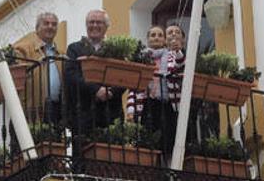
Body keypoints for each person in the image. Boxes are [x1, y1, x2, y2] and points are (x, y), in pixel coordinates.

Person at [64, 10, 124, 146]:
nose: (95, 25)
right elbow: (71, 75)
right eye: (91, 22)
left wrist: (110, 91)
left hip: (111, 112)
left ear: (106, 26)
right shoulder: (74, 48)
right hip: (83, 113)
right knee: (82, 160)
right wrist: (96, 90)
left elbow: (123, 77)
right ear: (86, 25)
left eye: (99, 22)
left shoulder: (116, 50)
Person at [126, 25, 181, 154]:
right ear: (148, 39)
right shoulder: (140, 57)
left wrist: (178, 51)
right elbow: (134, 84)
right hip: (146, 103)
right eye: (153, 35)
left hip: (167, 103)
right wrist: (130, 108)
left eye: (160, 35)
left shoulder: (172, 55)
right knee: (147, 139)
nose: (156, 38)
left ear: (165, 40)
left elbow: (180, 65)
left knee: (168, 139)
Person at [14, 12, 64, 125]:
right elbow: (17, 78)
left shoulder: (60, 54)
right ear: (37, 28)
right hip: (33, 108)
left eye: (54, 24)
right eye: (46, 23)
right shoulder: (24, 49)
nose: (50, 27)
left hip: (56, 108)